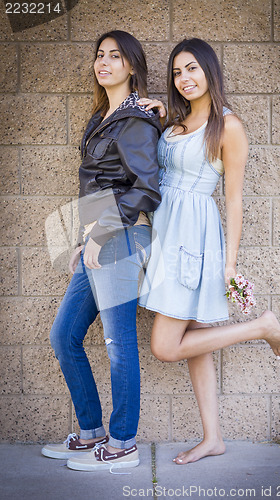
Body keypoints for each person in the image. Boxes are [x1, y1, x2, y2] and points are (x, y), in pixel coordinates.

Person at [138, 38, 280, 465]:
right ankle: (213, 438)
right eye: (176, 72)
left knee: (166, 346)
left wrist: (229, 266)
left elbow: (235, 199)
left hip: (192, 241)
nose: (184, 79)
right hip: (165, 237)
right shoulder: (176, 122)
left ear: (209, 70)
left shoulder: (228, 126)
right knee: (195, 343)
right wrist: (160, 114)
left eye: (192, 69)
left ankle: (260, 327)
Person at [41, 30, 162, 472]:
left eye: (115, 56)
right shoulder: (102, 117)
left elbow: (146, 189)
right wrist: (83, 239)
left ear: (132, 66)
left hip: (122, 238)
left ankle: (123, 442)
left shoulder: (135, 120)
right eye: (99, 55)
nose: (104, 62)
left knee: (117, 343)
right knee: (64, 335)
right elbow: (101, 184)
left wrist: (99, 233)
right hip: (99, 241)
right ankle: (91, 432)